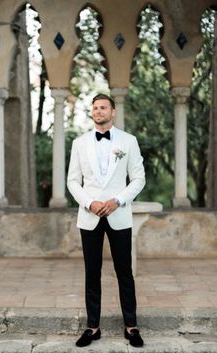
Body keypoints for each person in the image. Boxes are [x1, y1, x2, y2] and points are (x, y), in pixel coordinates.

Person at [67, 93, 145, 348]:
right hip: (89, 216)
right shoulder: (79, 143)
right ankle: (92, 327)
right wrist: (91, 203)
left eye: (103, 107)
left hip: (118, 215)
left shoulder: (129, 141)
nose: (98, 111)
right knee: (92, 273)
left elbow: (138, 179)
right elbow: (72, 182)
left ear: (113, 112)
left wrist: (117, 201)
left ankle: (131, 326)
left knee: (124, 272)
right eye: (95, 108)